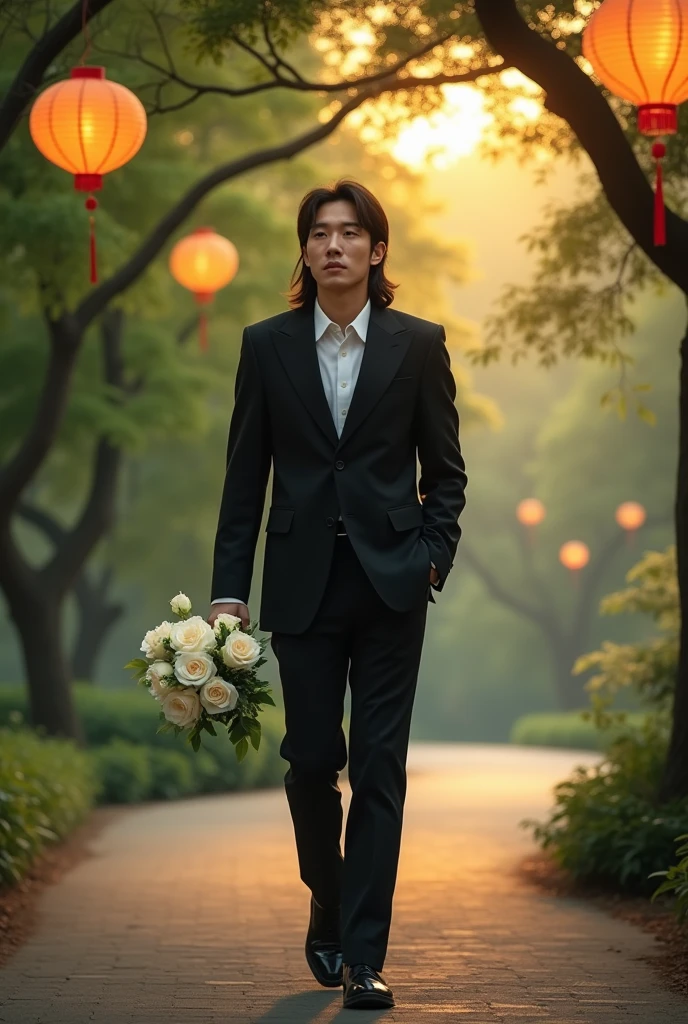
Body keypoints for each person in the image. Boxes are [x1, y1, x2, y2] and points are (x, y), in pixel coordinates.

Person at [208, 178, 467, 1010]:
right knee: (311, 761)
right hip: (302, 587)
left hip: (393, 583)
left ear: (376, 249)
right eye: (320, 232)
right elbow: (244, 480)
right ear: (305, 250)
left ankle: (362, 956)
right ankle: (327, 893)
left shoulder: (419, 344)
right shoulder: (266, 344)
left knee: (380, 770)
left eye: (350, 233)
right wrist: (226, 595)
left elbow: (448, 474)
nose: (334, 246)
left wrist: (431, 556)